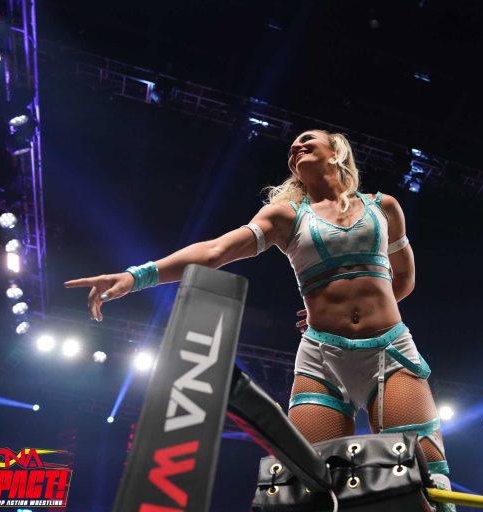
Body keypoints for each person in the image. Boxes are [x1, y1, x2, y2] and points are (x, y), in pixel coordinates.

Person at [64, 129, 455, 509]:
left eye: (307, 141)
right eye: (292, 147)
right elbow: (216, 251)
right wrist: (136, 276)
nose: (296, 147)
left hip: (389, 350)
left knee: (428, 479)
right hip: (322, 359)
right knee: (308, 488)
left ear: (337, 152)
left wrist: (367, 309)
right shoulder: (285, 216)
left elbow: (405, 277)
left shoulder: (383, 207)